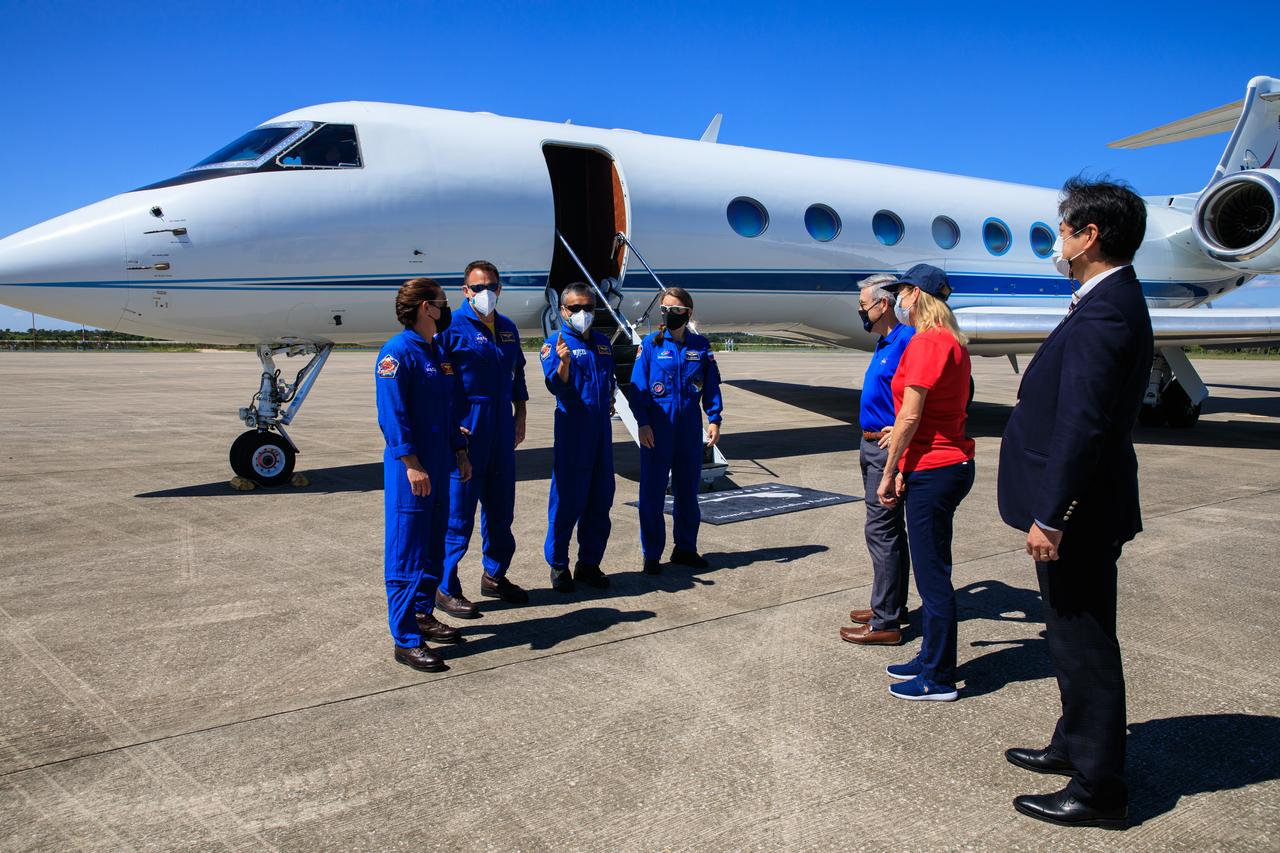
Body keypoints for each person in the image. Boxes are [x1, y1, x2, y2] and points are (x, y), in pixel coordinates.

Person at [997, 177, 1153, 829]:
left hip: (1078, 514)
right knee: (1069, 638)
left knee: (1084, 643)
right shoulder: (1103, 300)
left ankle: (1099, 788)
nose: (1057, 242)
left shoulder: (1108, 308)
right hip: (1082, 507)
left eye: (1063, 230)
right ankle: (1072, 742)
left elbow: (1083, 423)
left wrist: (1051, 514)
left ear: (1089, 235)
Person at [877, 264, 975, 701]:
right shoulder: (950, 341)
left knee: (934, 577)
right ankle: (930, 656)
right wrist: (902, 453)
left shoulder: (927, 343)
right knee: (934, 569)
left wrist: (889, 471)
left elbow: (911, 415)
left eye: (901, 290)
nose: (897, 298)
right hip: (942, 463)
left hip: (935, 469)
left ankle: (938, 677)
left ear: (915, 294)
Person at [375, 278, 472, 672]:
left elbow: (448, 412)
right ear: (424, 308)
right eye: (441, 303)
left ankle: (422, 613)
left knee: (432, 547)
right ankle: (405, 639)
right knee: (406, 553)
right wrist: (411, 464)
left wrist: (460, 452)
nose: (445, 309)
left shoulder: (438, 352)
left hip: (441, 464)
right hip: (411, 472)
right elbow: (392, 416)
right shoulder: (397, 353)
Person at [438, 260, 530, 613]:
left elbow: (516, 374)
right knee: (458, 512)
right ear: (465, 291)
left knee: (500, 508)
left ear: (500, 289)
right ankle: (446, 586)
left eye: (491, 286)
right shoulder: (452, 328)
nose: (485, 293)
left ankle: (494, 575)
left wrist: (520, 414)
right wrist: (451, 427)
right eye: (478, 288)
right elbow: (441, 383)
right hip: (469, 425)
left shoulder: (507, 328)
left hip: (502, 427)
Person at [841, 273, 914, 646]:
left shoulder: (907, 341)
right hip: (870, 444)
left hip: (887, 449)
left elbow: (919, 397)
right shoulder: (885, 342)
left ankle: (885, 621)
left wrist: (896, 438)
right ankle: (891, 606)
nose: (860, 311)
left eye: (863, 305)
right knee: (888, 531)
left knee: (881, 531)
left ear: (883, 304)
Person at [629, 287, 723, 575]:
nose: (669, 315)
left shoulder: (701, 347)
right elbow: (638, 390)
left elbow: (711, 386)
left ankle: (685, 548)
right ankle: (652, 554)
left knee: (687, 493)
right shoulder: (651, 345)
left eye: (675, 310)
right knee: (653, 494)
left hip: (688, 429)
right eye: (665, 310)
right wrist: (642, 423)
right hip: (657, 430)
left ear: (688, 313)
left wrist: (715, 418)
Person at [540, 283, 617, 592]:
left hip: (601, 430)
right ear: (563, 311)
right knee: (567, 501)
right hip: (574, 431)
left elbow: (607, 380)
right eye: (575, 308)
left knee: (600, 499)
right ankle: (559, 564)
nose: (582, 313)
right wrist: (564, 365)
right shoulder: (555, 343)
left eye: (588, 308)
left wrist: (608, 398)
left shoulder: (603, 343)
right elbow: (555, 387)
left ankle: (589, 563)